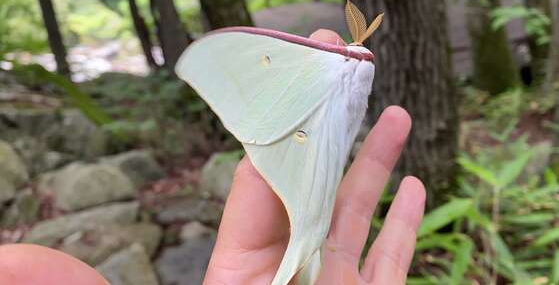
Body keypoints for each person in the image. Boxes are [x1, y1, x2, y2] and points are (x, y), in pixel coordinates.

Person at [0, 30, 425, 285]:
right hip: (313, 133)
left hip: (313, 132)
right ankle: (304, 255)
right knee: (312, 228)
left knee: (313, 228)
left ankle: (305, 254)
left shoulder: (330, 66)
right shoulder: (337, 66)